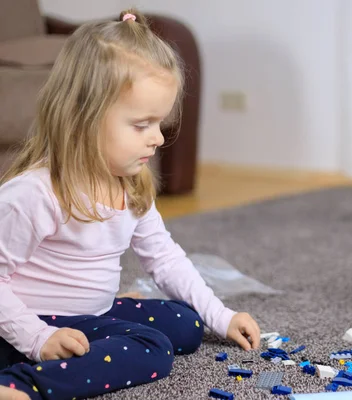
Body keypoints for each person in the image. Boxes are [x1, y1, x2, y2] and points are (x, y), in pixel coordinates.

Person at [0, 9, 260, 400]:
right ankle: (21, 386)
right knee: (152, 350)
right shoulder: (35, 193)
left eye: (160, 124)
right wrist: (39, 340)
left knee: (186, 325)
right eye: (142, 125)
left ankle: (101, 322)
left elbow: (165, 259)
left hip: (88, 315)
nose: (157, 138)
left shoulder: (131, 185)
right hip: (25, 323)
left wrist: (221, 316)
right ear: (82, 117)